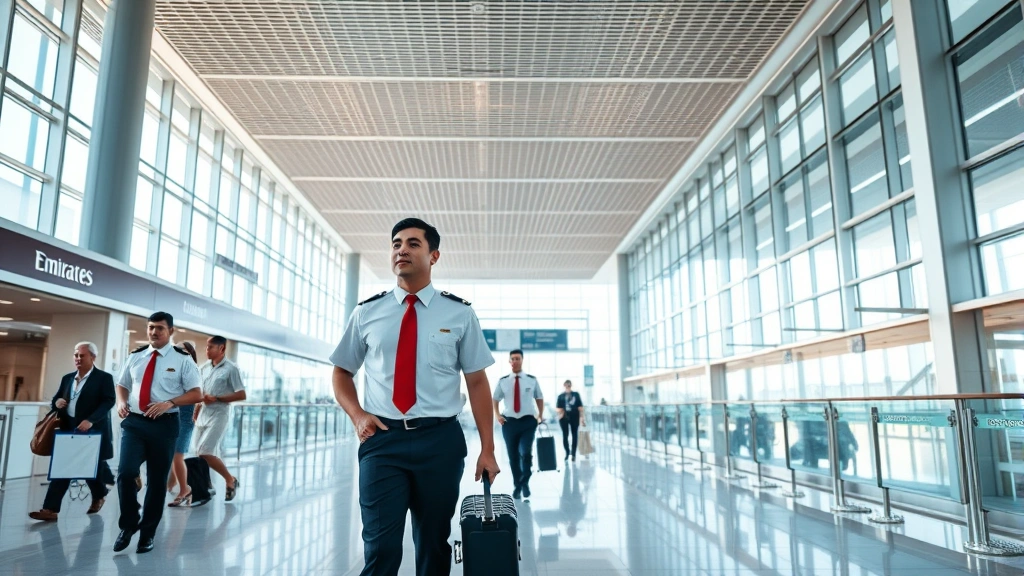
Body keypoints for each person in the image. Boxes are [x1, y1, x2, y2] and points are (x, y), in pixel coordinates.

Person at [330, 217, 499, 576]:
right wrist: (357, 415)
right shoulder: (367, 312)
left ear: (434, 255)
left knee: (434, 543)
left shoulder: (459, 313)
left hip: (440, 441)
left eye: (412, 243)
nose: (401, 249)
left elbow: (478, 383)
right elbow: (342, 371)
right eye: (395, 244)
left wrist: (488, 448)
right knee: (380, 546)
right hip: (382, 440)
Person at [113, 311, 202, 554]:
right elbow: (122, 384)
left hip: (164, 425)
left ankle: (147, 534)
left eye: (160, 328)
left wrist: (170, 403)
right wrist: (121, 402)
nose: (154, 332)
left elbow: (197, 393)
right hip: (135, 423)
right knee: (126, 473)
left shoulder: (183, 359)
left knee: (156, 482)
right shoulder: (136, 356)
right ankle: (129, 525)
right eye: (151, 327)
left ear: (170, 331)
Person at [28, 342, 115, 521]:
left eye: (82, 356)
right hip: (68, 429)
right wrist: (57, 402)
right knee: (63, 467)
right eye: (76, 355)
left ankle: (99, 494)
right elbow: (56, 399)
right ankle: (50, 509)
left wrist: (90, 420)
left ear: (93, 357)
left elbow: (108, 402)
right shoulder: (68, 378)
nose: (78, 359)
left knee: (92, 467)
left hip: (92, 430)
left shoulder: (103, 378)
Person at [193, 335, 246, 502]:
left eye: (210, 347)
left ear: (221, 349)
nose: (206, 350)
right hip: (203, 414)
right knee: (200, 454)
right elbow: (200, 392)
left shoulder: (231, 369)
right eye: (207, 347)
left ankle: (230, 479)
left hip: (219, 414)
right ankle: (207, 485)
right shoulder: (203, 368)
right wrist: (197, 409)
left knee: (204, 451)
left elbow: (241, 394)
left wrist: (218, 398)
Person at [492, 349, 543, 500]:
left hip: (528, 421)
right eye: (512, 359)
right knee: (513, 456)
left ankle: (524, 482)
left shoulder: (531, 380)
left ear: (522, 360)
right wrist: (497, 415)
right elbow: (495, 399)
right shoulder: (503, 381)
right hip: (509, 423)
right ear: (509, 361)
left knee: (526, 453)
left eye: (517, 358)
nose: (515, 361)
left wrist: (540, 415)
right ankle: (518, 485)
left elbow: (539, 397)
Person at [167, 341, 199, 507]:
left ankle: (184, 490)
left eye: (182, 350)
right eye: (176, 350)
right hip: (171, 417)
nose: (178, 352)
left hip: (185, 418)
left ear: (190, 352)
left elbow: (198, 394)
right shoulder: (174, 368)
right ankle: (170, 484)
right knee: (174, 454)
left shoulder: (191, 369)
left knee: (177, 455)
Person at [556, 380, 585, 462]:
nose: (568, 386)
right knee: (565, 435)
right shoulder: (561, 396)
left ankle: (573, 454)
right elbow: (557, 408)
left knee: (574, 435)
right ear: (564, 385)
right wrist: (561, 411)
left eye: (569, 384)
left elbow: (580, 407)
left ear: (571, 385)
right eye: (566, 384)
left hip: (574, 416)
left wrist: (582, 418)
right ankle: (567, 451)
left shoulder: (576, 395)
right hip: (564, 417)